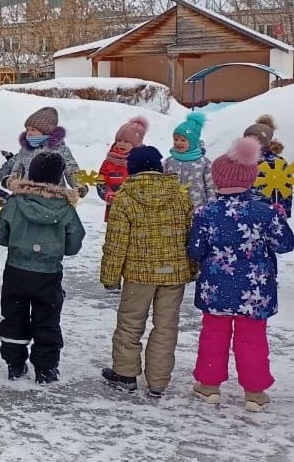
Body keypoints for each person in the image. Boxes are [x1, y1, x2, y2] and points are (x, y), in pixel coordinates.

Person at [189, 137, 294, 412]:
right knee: (253, 339)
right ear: (251, 178)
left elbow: (196, 249)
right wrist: (277, 219)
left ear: (217, 180)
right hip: (255, 290)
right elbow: (286, 244)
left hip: (216, 287)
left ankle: (209, 385)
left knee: (213, 335)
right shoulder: (264, 211)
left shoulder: (206, 212)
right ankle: (254, 392)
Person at [99, 146, 195, 398]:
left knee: (130, 324)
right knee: (166, 327)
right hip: (173, 274)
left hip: (138, 274)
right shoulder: (180, 196)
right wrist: (192, 269)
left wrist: (110, 276)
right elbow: (190, 236)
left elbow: (116, 242)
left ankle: (126, 375)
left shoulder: (126, 198)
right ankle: (158, 382)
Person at [0, 152, 86, 384]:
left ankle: (15, 364)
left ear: (31, 174)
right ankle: (46, 368)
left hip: (16, 271)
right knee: (47, 319)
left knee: (14, 316)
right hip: (49, 274)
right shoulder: (66, 209)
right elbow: (73, 244)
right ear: (58, 180)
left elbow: (1, 235)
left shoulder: (15, 202)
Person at [1, 106, 86, 196]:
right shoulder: (26, 149)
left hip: (54, 198)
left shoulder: (61, 150)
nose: (28, 133)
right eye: (27, 129)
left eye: (33, 130)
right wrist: (12, 182)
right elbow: (17, 170)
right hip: (28, 197)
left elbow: (72, 171)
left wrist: (79, 185)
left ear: (46, 131)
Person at [97, 116, 150, 221]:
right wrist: (108, 194)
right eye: (119, 140)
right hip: (115, 207)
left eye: (126, 141)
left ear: (136, 145)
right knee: (116, 235)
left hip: (136, 210)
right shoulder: (108, 162)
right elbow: (100, 182)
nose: (121, 143)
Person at [163, 112, 216, 210]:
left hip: (198, 209)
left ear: (193, 142)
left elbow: (210, 186)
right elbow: (163, 184)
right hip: (174, 209)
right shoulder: (169, 162)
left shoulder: (204, 162)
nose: (178, 142)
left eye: (183, 140)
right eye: (176, 139)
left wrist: (211, 207)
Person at [244, 115, 292, 216]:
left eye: (253, 140)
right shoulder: (241, 160)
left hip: (269, 211)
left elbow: (285, 190)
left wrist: (284, 211)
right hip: (245, 212)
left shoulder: (276, 162)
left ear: (264, 141)